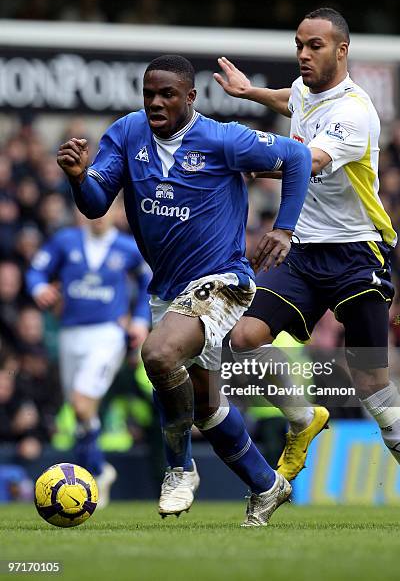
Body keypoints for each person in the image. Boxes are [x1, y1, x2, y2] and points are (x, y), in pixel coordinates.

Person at [55, 55, 312, 526]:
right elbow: (95, 204)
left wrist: (285, 228)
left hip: (223, 280)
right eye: (149, 93)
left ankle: (178, 469)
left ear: (190, 98)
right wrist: (77, 177)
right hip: (168, 291)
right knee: (204, 401)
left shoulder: (220, 138)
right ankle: (266, 484)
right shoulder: (128, 134)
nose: (156, 102)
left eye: (167, 94)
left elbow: (295, 158)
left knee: (157, 355)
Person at [214, 8, 400, 526]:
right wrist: (252, 94)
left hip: (358, 252)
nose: (303, 54)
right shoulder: (302, 89)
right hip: (305, 251)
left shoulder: (356, 112)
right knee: (245, 335)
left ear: (341, 50)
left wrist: (243, 157)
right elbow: (289, 101)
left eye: (314, 45)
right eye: (299, 44)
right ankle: (303, 419)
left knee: (369, 381)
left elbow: (307, 161)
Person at [26, 206, 151, 507]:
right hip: (70, 333)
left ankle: (95, 470)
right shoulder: (64, 241)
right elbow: (36, 270)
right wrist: (39, 287)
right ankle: (93, 472)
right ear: (79, 212)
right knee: (82, 413)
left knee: (82, 403)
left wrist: (140, 319)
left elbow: (149, 281)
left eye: (104, 209)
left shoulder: (127, 247)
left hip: (108, 334)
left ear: (118, 212)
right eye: (90, 209)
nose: (97, 215)